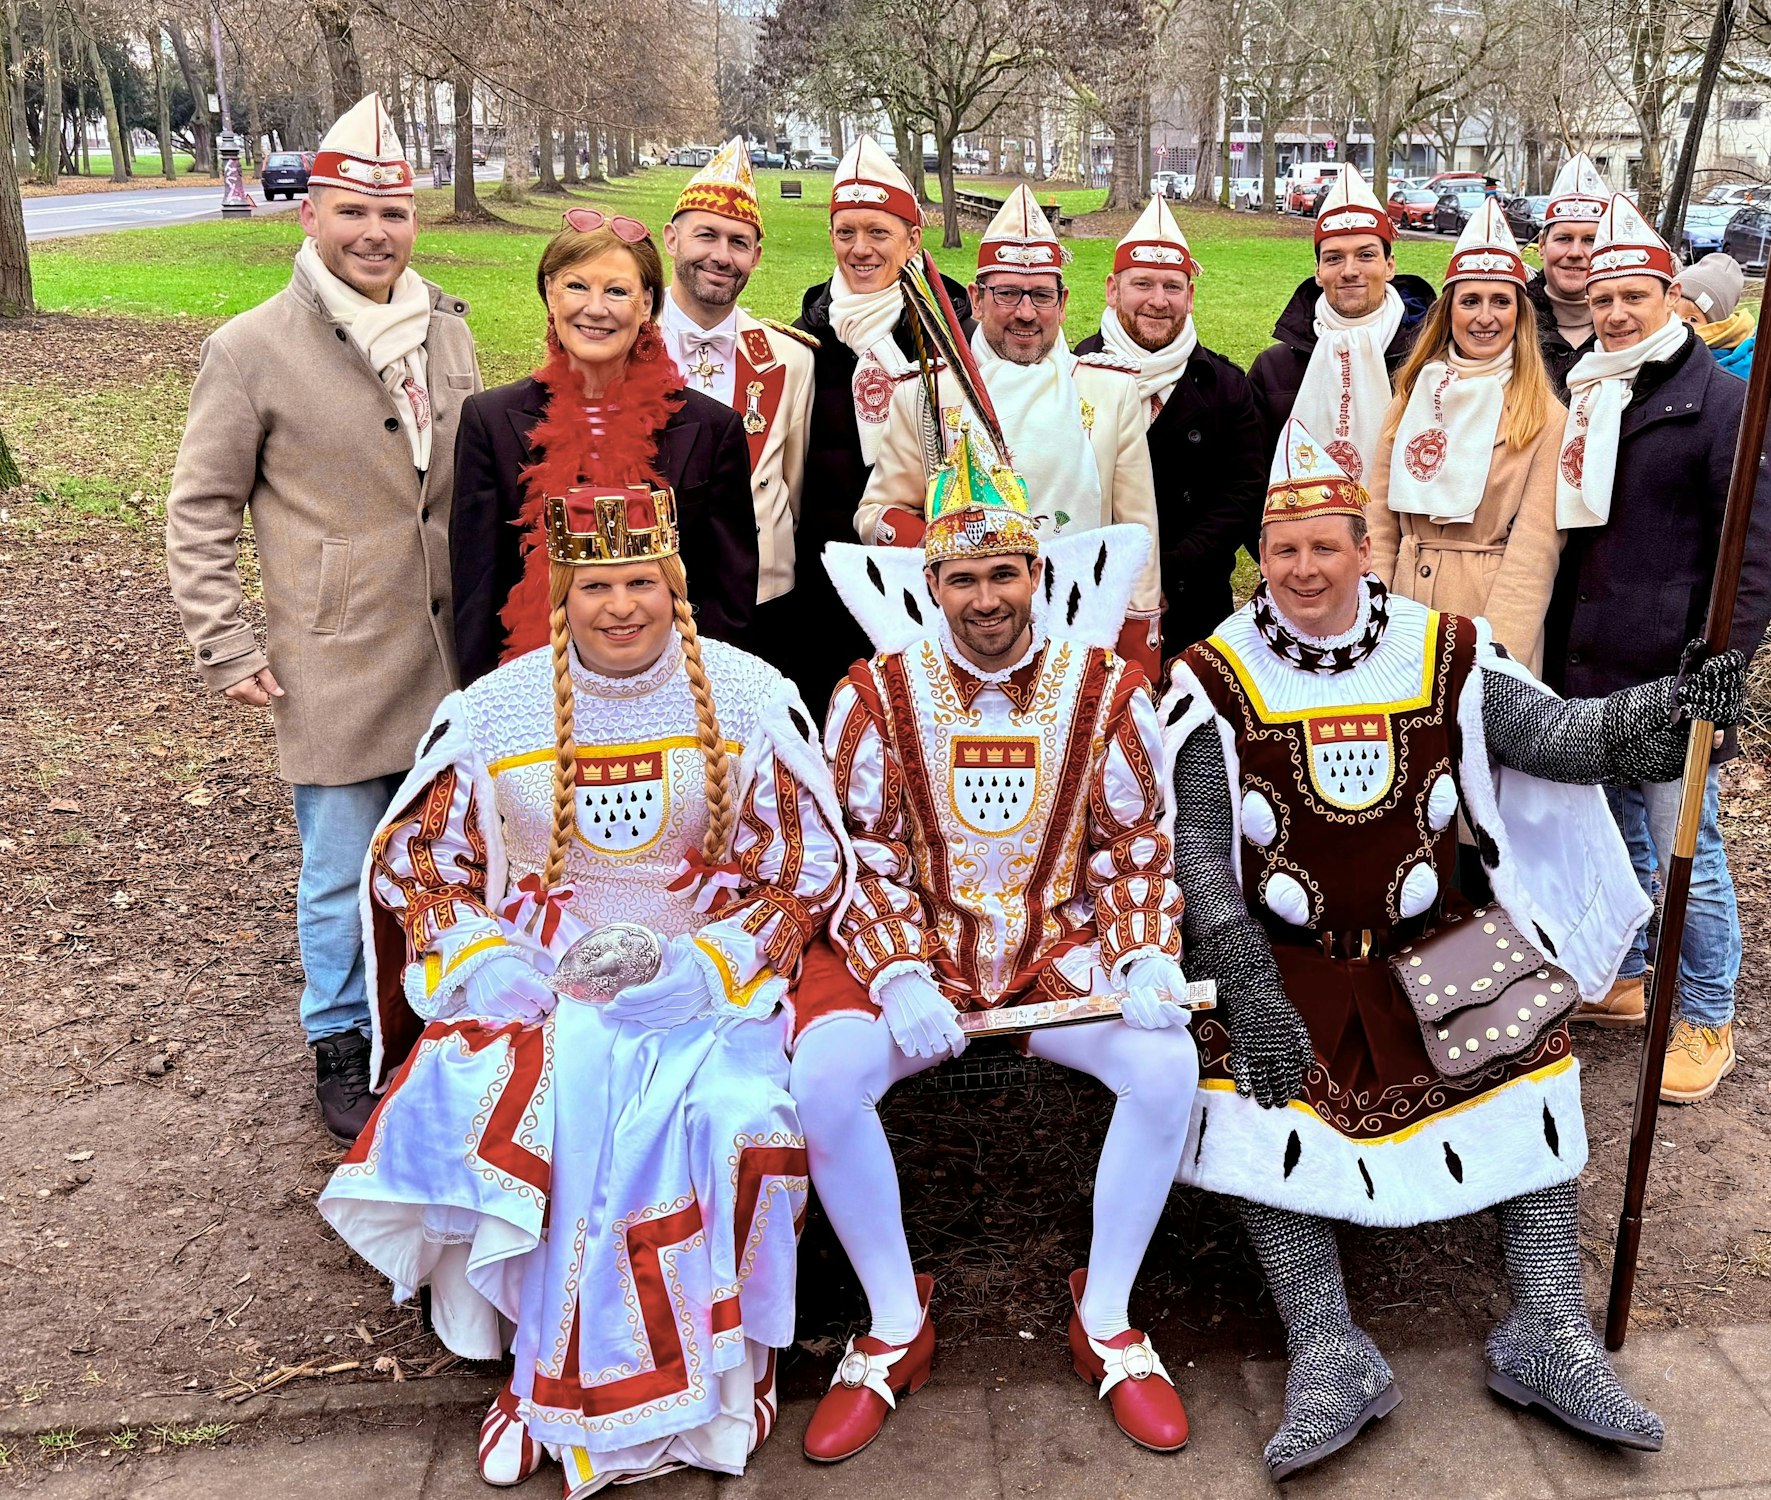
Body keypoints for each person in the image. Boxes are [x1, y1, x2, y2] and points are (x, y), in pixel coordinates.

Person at [1159, 418, 1752, 1478]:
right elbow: (1200, 855)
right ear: (1263, 557)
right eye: (1284, 549)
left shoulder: (1447, 651)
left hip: (1436, 942)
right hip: (1287, 959)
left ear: (1363, 548)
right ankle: (1328, 1350)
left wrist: (1669, 706)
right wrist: (1241, 974)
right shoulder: (1213, 674)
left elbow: (1563, 739)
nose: (1304, 568)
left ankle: (1549, 1331)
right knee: (1246, 1095)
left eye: (1325, 546)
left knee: (1534, 1066)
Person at [320, 485, 844, 1491]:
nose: (620, 606)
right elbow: (419, 867)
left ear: (673, 584)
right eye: (595, 586)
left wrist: (704, 967)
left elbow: (805, 868)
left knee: (734, 1120)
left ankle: (733, 1366)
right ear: (562, 592)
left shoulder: (746, 696)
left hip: (706, 996)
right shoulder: (493, 711)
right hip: (539, 992)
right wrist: (488, 960)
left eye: (640, 581)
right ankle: (538, 1371)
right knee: (549, 1106)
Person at [788, 439, 1197, 1460]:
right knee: (825, 1076)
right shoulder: (872, 694)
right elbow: (860, 852)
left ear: (1038, 574)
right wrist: (894, 972)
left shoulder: (1106, 688)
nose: (985, 599)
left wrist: (1144, 953)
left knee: (1166, 1064)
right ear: (930, 586)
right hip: (921, 958)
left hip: (1056, 951)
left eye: (1003, 573)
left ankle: (1107, 1317)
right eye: (962, 578)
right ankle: (895, 1324)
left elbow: (1133, 844)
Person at [164, 93, 481, 1144]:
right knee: (340, 865)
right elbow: (200, 506)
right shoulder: (250, 349)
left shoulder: (446, 327)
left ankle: (437, 1019)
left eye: (392, 214)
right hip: (335, 652)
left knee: (449, 851)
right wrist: (224, 640)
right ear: (310, 215)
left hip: (451, 653)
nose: (374, 234)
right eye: (353, 212)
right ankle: (340, 1036)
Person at [1542, 194, 1771, 1083]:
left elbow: (1752, 553)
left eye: (1633, 297)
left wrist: (1723, 662)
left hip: (1672, 669)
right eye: (1602, 300)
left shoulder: (1725, 406)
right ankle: (1632, 976)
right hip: (1589, 663)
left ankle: (1707, 1014)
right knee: (1615, 838)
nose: (1615, 314)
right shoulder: (1587, 392)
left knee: (1690, 853)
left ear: (1670, 298)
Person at [859, 184, 1166, 674]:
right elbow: (875, 513)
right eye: (1007, 293)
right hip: (960, 631)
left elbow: (1137, 531)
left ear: (1063, 303)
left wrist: (1137, 643)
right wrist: (946, 548)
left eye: (1041, 295)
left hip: (1078, 631)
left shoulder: (1110, 391)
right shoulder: (926, 393)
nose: (1026, 312)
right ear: (976, 300)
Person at [451, 211, 757, 687]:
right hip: (536, 687)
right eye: (577, 286)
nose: (595, 309)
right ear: (550, 293)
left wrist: (695, 692)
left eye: (616, 291)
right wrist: (490, 701)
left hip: (672, 689)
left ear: (646, 303)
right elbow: (477, 588)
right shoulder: (489, 422)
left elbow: (729, 595)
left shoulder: (712, 428)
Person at [792, 138, 973, 708]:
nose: (860, 248)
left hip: (928, 574)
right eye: (846, 232)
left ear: (913, 240)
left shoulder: (955, 336)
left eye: (878, 232)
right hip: (829, 579)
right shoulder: (803, 340)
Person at [1366, 199, 1565, 673]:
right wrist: (1371, 617)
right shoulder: (1411, 397)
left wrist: (1497, 660)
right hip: (1401, 613)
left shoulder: (1545, 416)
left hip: (1486, 619)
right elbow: (1380, 521)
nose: (1485, 317)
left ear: (1520, 314)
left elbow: (1534, 554)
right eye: (1470, 300)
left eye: (1501, 301)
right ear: (1449, 310)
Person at [1074, 193, 1264, 656]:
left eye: (1172, 287)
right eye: (1142, 284)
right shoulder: (1073, 373)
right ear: (1112, 290)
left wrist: (1164, 572)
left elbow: (1242, 495)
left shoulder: (1226, 386)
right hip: (1089, 596)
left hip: (1193, 601)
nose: (1158, 301)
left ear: (1190, 296)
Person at [658, 138, 819, 667]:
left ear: (756, 256)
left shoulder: (791, 359)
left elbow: (792, 485)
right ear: (672, 239)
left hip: (761, 600)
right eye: (706, 235)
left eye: (739, 242)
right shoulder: (626, 343)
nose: (722, 256)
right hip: (643, 597)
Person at [1248, 164, 1434, 474]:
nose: (1349, 271)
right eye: (1334, 258)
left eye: (1365, 255)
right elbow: (1253, 475)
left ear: (1389, 266)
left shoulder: (1429, 359)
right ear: (1318, 271)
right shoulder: (1272, 371)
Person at [1523, 154, 1612, 387]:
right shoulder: (1511, 319)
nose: (1575, 252)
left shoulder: (1630, 327)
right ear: (1542, 244)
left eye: (1590, 240)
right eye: (1564, 238)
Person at [1673, 252, 1756, 378]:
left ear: (1717, 327)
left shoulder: (1731, 372)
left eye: (1692, 319)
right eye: (1672, 313)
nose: (1676, 323)